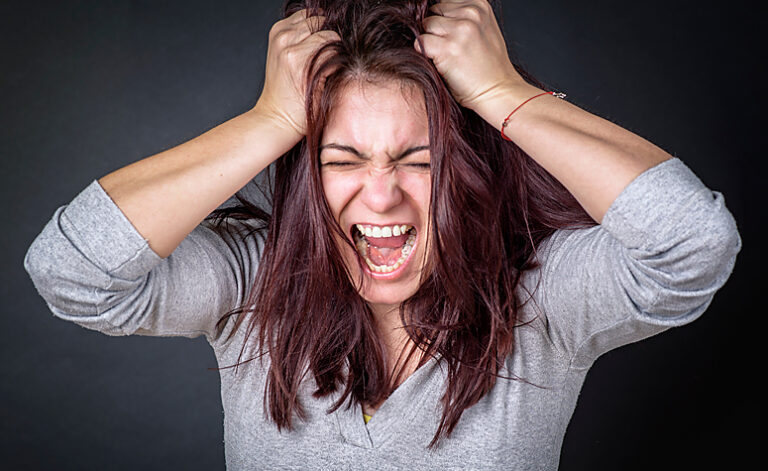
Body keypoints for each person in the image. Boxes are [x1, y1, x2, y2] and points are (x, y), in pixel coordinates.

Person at [23, 0, 741, 469]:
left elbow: (692, 242)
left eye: (417, 159)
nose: (382, 192)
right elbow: (71, 271)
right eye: (344, 159)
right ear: (308, 172)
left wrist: (502, 94)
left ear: (463, 172)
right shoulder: (254, 286)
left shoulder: (541, 301)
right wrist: (271, 120)